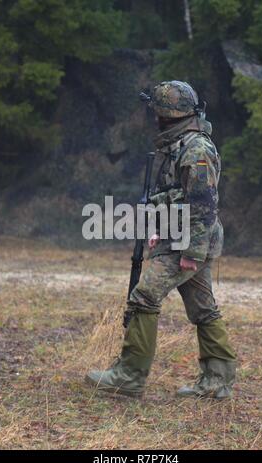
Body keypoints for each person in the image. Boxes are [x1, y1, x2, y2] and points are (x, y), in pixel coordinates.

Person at [85, 80, 236, 399]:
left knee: (144, 296)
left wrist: (192, 253)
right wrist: (160, 228)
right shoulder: (179, 145)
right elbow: (178, 196)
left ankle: (128, 377)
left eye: (157, 112)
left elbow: (203, 206)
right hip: (179, 237)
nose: (154, 117)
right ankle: (217, 381)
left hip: (191, 241)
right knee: (203, 309)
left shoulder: (195, 149)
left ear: (168, 115)